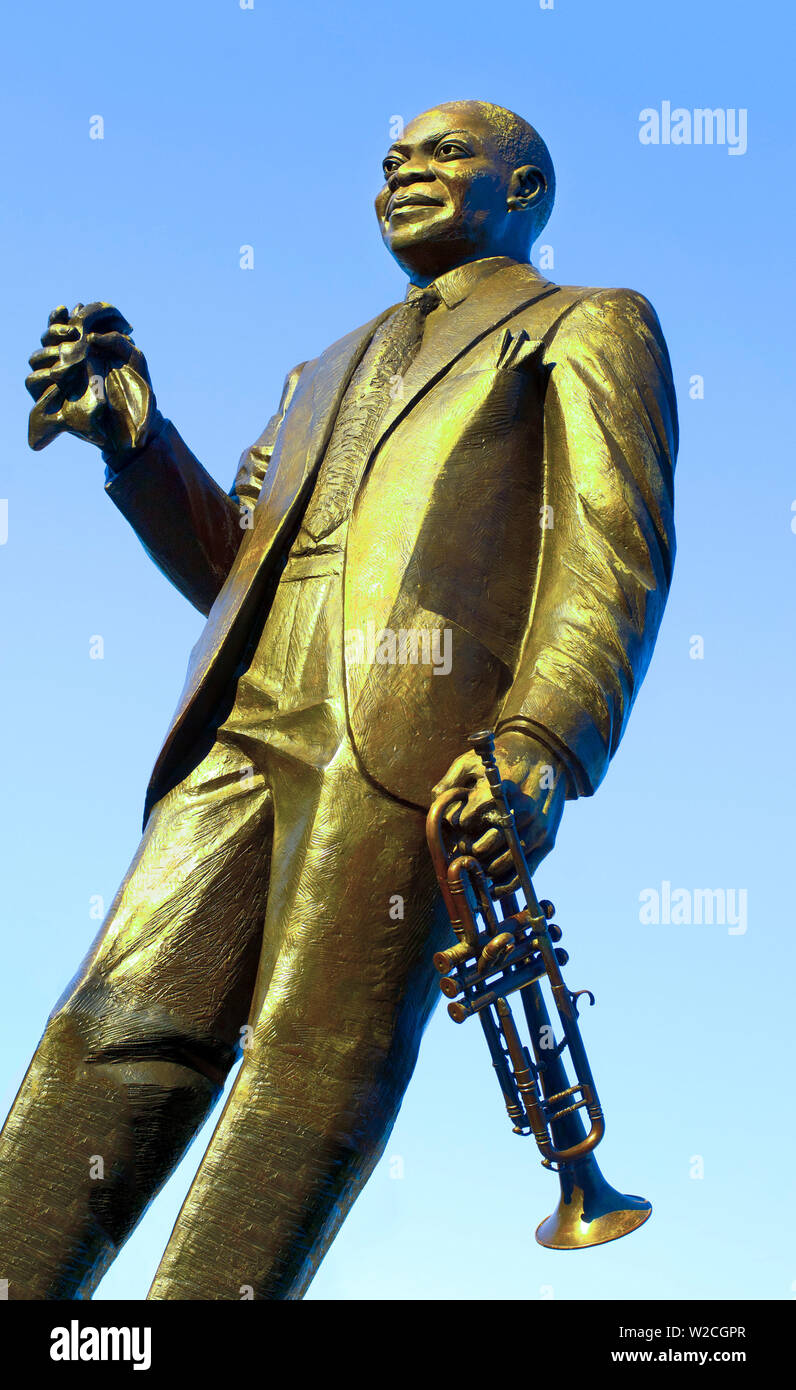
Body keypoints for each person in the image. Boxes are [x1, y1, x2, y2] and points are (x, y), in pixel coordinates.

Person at [0, 99, 677, 1299]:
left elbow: (608, 549)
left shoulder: (586, 324)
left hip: (410, 738)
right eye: (390, 162)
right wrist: (138, 443)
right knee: (109, 1023)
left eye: (446, 154)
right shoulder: (318, 370)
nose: (405, 172)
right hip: (248, 718)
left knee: (311, 1063)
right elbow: (233, 570)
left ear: (525, 191)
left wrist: (538, 738)